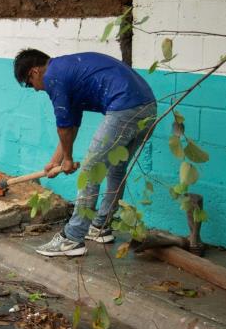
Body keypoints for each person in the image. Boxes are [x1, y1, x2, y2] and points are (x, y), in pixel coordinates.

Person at [13, 50, 157, 257]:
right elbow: (70, 128)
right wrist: (56, 162)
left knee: (90, 170)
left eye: (29, 83)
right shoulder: (68, 71)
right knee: (116, 168)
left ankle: (72, 238)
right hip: (148, 108)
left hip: (125, 107)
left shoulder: (53, 76)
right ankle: (100, 226)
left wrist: (69, 160)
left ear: (34, 72)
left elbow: (63, 127)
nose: (34, 89)